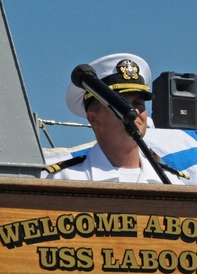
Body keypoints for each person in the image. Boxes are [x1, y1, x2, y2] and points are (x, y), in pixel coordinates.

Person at [43, 52, 187, 183]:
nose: (134, 111)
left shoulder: (173, 182)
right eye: (122, 104)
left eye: (139, 103)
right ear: (94, 119)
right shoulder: (62, 179)